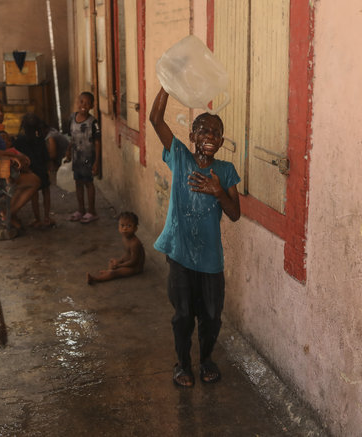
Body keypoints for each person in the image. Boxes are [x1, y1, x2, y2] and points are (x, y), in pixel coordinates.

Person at [149, 87, 241, 387]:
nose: (210, 136)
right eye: (203, 131)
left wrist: (217, 192)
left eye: (216, 132)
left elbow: (235, 214)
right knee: (184, 314)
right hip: (180, 251)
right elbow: (155, 118)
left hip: (210, 257)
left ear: (222, 141)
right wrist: (167, 84)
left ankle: (206, 360)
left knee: (212, 315)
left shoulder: (225, 172)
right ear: (192, 137)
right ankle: (183, 364)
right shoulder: (179, 155)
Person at [0, 96, 40, 230]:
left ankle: (10, 214)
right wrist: (11, 155)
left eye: (1, 110)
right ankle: (8, 213)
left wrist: (12, 158)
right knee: (34, 181)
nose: (0, 113)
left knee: (25, 181)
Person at [65, 91, 101, 224]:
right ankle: (81, 210)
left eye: (87, 103)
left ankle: (92, 211)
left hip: (88, 159)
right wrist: (68, 151)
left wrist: (97, 162)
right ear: (77, 102)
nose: (83, 105)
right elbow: (71, 138)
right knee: (78, 183)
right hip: (76, 158)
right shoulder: (72, 118)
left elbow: (97, 142)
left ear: (92, 105)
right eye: (81, 102)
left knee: (88, 183)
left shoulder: (93, 122)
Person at [14, 113, 54, 228]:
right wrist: (49, 168)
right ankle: (47, 217)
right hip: (42, 170)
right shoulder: (40, 139)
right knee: (46, 192)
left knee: (34, 195)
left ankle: (37, 219)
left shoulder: (20, 141)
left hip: (30, 172)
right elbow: (46, 157)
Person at [87, 211, 145, 284]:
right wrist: (119, 261)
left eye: (129, 226)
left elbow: (134, 261)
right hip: (128, 263)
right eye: (122, 225)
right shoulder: (125, 238)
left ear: (135, 229)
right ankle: (109, 272)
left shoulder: (135, 243)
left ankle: (95, 279)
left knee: (115, 273)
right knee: (112, 262)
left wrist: (120, 265)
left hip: (135, 268)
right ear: (118, 227)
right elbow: (127, 254)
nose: (125, 229)